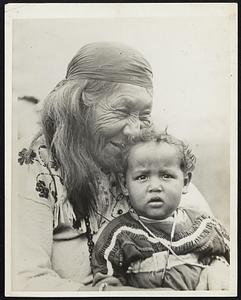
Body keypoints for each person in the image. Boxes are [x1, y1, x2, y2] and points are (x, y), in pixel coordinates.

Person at [15, 42, 226, 291]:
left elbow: (209, 232)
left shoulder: (139, 161)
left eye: (144, 116)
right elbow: (25, 281)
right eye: (122, 111)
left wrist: (219, 269)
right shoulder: (32, 168)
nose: (135, 129)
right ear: (78, 106)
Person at [91, 129, 230, 290]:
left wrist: (220, 268)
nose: (155, 187)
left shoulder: (205, 226)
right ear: (124, 185)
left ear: (185, 182)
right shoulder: (120, 235)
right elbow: (106, 287)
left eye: (166, 176)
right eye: (142, 177)